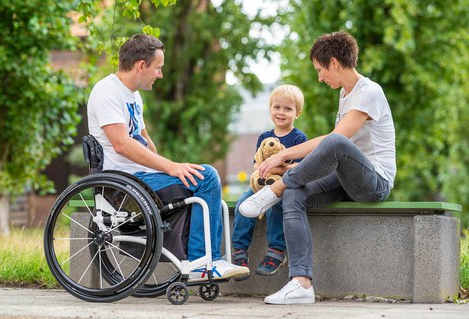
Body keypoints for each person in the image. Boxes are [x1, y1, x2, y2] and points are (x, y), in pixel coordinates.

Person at [239, 31, 396, 304]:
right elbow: (332, 149)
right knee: (295, 194)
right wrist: (288, 163)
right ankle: (301, 283)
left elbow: (337, 140)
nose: (320, 77)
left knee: (335, 140)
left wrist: (282, 156)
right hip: (346, 178)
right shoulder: (346, 95)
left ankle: (275, 189)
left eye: (320, 70)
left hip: (375, 181)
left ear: (334, 63)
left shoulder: (369, 92)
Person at [87, 34, 249, 281]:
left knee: (201, 176)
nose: (160, 75)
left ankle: (205, 259)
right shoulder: (106, 91)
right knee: (206, 177)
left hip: (142, 177)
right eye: (158, 68)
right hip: (123, 182)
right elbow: (122, 144)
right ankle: (202, 262)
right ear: (141, 65)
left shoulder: (134, 96)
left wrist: (168, 168)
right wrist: (171, 167)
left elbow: (145, 142)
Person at [231, 84, 307, 280]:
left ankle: (276, 251)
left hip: (282, 188)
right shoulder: (264, 137)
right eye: (277, 107)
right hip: (261, 185)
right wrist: (262, 173)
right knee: (242, 205)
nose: (281, 112)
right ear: (270, 109)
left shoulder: (299, 138)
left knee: (275, 207)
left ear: (297, 113)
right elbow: (257, 165)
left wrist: (276, 168)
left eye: (288, 109)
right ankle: (239, 250)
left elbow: (299, 168)